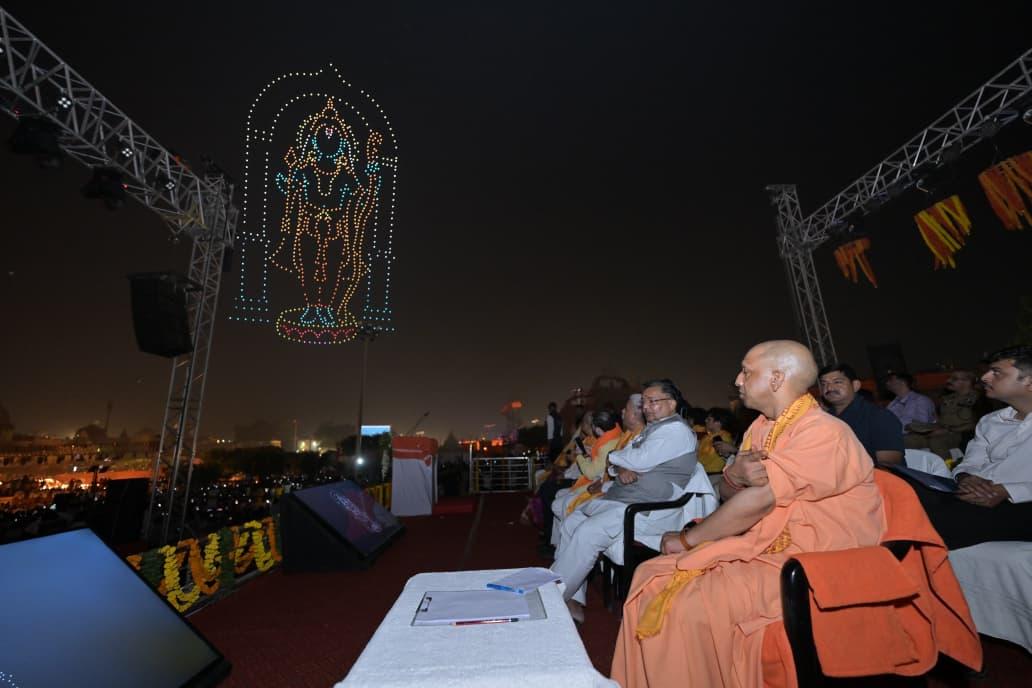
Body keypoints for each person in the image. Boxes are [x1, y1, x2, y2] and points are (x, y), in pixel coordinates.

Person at [611, 340, 887, 688]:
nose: (737, 380)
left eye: (746, 372)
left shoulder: (823, 431)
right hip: (763, 543)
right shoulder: (760, 427)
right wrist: (736, 477)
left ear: (776, 379)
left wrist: (687, 539)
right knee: (648, 576)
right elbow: (729, 492)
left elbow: (760, 500)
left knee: (688, 604)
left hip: (815, 558)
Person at [551, 380, 698, 622]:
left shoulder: (675, 431)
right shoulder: (654, 430)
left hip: (647, 510)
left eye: (653, 401)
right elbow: (620, 465)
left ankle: (552, 598)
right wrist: (622, 465)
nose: (646, 407)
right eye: (644, 402)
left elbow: (636, 460)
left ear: (672, 404)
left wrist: (617, 458)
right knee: (571, 523)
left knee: (588, 531)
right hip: (624, 500)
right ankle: (572, 599)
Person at [903, 345, 1032, 549]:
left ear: (1029, 382)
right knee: (903, 497)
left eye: (996, 372)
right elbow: (971, 461)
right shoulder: (991, 421)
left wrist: (1007, 491)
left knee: (927, 524)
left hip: (1022, 504)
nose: (985, 377)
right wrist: (966, 478)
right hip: (980, 495)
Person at [818, 362, 904, 465]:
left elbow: (888, 463)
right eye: (824, 384)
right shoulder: (824, 419)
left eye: (837, 382)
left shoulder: (879, 416)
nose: (829, 388)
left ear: (855, 385)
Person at [906, 369, 987, 460]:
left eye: (954, 379)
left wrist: (947, 430)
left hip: (961, 435)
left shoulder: (978, 399)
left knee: (936, 442)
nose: (948, 381)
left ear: (967, 382)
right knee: (907, 440)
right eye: (949, 378)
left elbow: (978, 424)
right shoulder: (948, 398)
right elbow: (940, 420)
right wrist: (922, 428)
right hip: (941, 431)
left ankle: (947, 467)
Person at [884, 372, 937, 444]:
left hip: (916, 440)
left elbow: (923, 424)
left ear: (903, 382)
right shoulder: (892, 404)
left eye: (891, 380)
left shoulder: (920, 400)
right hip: (898, 438)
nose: (887, 383)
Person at [697, 407, 736, 474]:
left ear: (718, 423)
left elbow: (709, 458)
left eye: (709, 419)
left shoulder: (723, 438)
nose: (705, 421)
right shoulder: (708, 437)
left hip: (712, 474)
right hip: (702, 471)